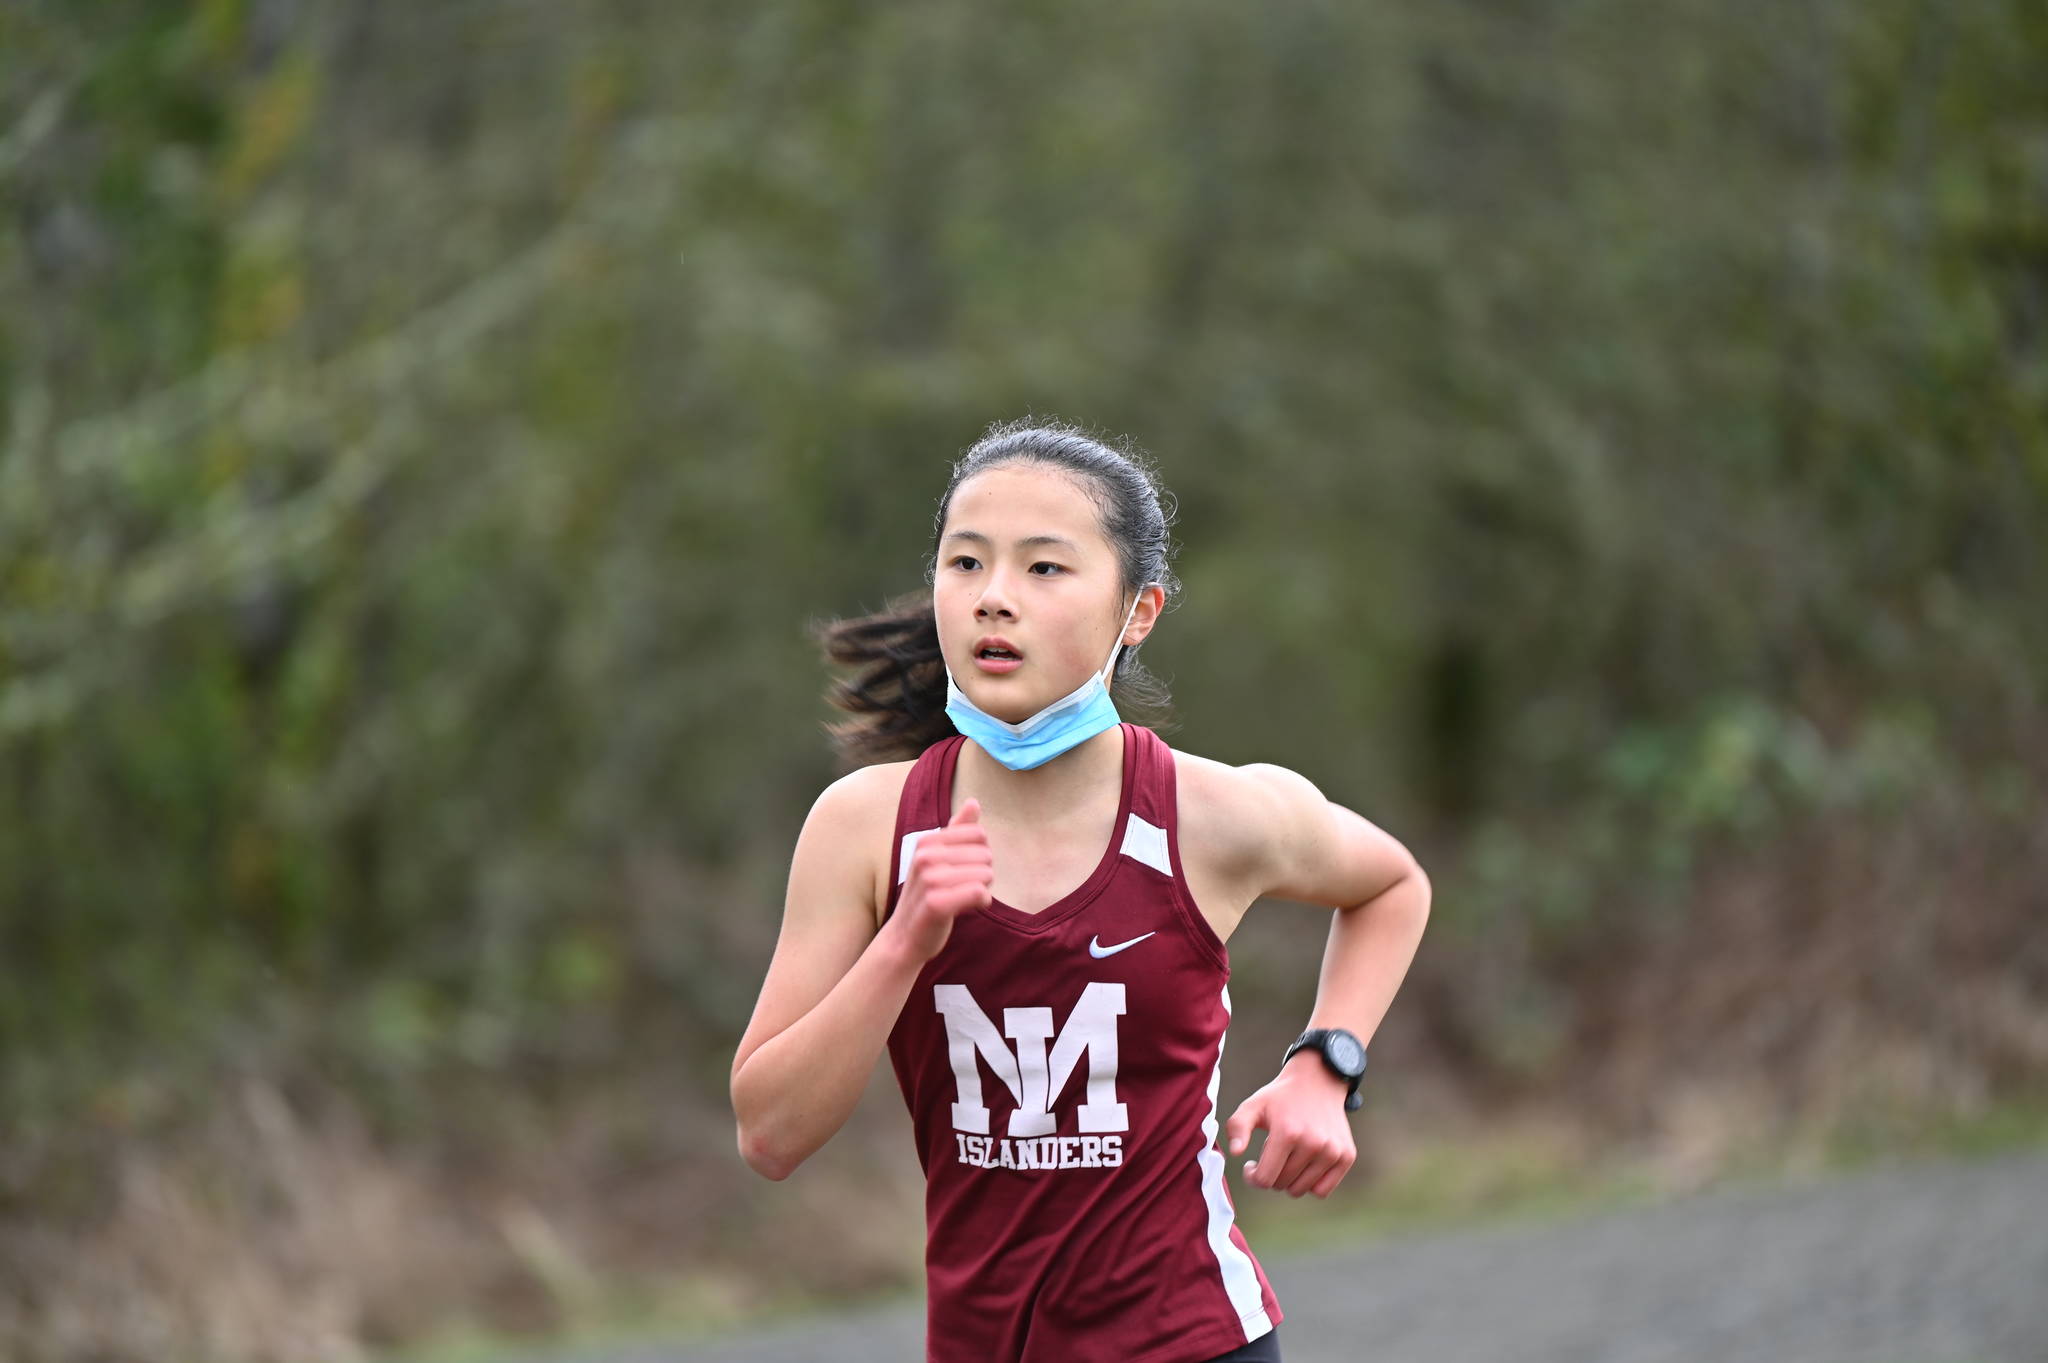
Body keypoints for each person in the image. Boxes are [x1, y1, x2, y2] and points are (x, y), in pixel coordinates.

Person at [730, 419, 1432, 1363]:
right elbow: (769, 1134)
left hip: (1196, 1342)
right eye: (966, 563)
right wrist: (905, 940)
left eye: (1045, 569)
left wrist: (1326, 1063)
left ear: (1138, 610)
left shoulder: (1211, 811)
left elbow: (1392, 883)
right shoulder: (865, 826)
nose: (994, 599)